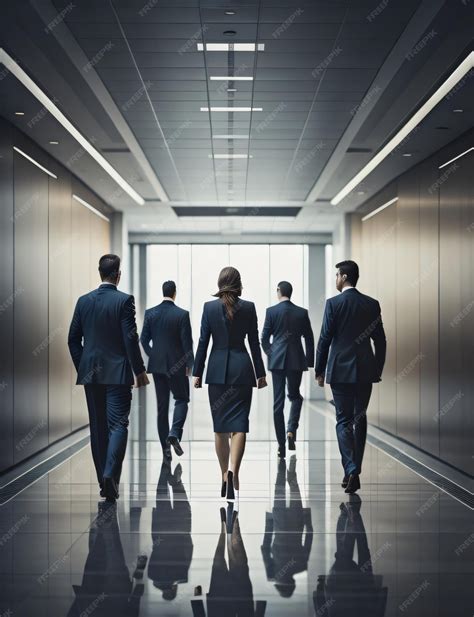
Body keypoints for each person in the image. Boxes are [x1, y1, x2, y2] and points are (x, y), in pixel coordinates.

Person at [68, 254, 149, 502]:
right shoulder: (124, 301)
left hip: (91, 375)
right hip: (118, 374)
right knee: (118, 425)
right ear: (118, 274)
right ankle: (110, 474)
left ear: (100, 272)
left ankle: (104, 482)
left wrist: (84, 366)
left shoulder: (83, 301)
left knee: (98, 428)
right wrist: (139, 370)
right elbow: (130, 338)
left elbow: (72, 339)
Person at [193, 266, 267, 501]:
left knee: (220, 427)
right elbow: (255, 343)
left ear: (219, 282)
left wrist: (197, 372)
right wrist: (260, 374)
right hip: (242, 371)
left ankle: (224, 474)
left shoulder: (209, 308)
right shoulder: (249, 308)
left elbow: (203, 342)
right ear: (239, 283)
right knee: (239, 425)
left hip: (216, 373)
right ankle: (235, 469)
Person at [315, 260, 386, 494]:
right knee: (360, 418)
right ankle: (354, 470)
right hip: (365, 371)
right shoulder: (371, 304)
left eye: (337, 274)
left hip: (340, 371)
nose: (335, 278)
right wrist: (377, 368)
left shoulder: (334, 304)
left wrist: (319, 370)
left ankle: (351, 468)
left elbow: (325, 339)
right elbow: (380, 340)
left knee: (344, 420)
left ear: (344, 277)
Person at [140, 280, 194, 459]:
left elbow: (143, 340)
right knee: (182, 399)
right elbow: (188, 344)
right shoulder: (182, 315)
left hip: (157, 367)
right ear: (174, 293)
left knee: (162, 408)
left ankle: (165, 450)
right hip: (177, 366)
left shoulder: (150, 313)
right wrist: (190, 366)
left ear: (162, 292)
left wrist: (153, 355)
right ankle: (175, 433)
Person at [261, 281, 314, 458]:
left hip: (277, 362)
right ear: (291, 292)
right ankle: (291, 430)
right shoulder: (301, 312)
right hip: (296, 360)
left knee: (278, 403)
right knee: (295, 396)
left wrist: (272, 354)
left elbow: (264, 339)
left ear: (278, 291)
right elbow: (309, 338)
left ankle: (281, 445)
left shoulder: (271, 311)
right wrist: (309, 361)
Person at [261, 456, 313, 597]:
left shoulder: (302, 566)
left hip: (296, 524)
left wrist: (308, 520)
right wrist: (269, 521)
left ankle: (289, 473)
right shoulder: (273, 571)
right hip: (280, 524)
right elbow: (265, 548)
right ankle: (281, 466)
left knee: (294, 490)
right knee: (279, 490)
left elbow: (309, 538)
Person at [148, 462, 193, 601]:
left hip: (180, 533)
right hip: (160, 533)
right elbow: (153, 553)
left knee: (182, 504)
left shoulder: (181, 576)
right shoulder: (152, 575)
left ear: (173, 590)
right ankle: (164, 470)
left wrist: (187, 537)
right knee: (162, 499)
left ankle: (177, 483)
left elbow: (188, 550)